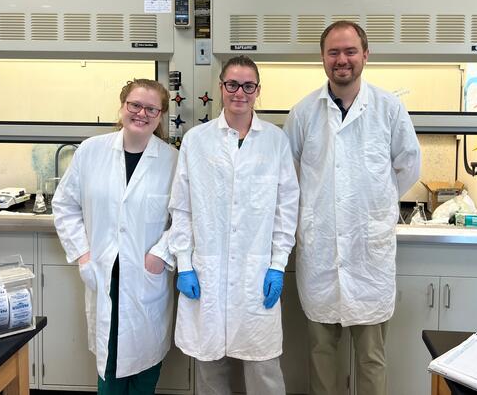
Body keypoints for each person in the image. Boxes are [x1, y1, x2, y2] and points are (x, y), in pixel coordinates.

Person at [283, 21, 421, 395]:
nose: (341, 60)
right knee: (321, 353)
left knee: (372, 357)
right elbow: (289, 173)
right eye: (333, 52)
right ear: (323, 58)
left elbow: (408, 165)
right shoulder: (303, 112)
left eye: (349, 51)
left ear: (365, 55)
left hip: (368, 253)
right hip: (321, 251)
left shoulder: (389, 109)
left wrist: (373, 204)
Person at [168, 55, 299, 395]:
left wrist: (277, 265)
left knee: (263, 366)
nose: (239, 92)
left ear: (257, 90)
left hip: (257, 272)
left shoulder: (275, 140)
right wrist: (184, 264)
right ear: (221, 87)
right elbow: (182, 207)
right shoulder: (197, 140)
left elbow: (287, 207)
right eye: (232, 84)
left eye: (248, 85)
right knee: (210, 369)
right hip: (206, 271)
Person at [52, 79, 178, 395]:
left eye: (152, 108)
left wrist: (161, 254)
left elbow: (185, 219)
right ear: (122, 107)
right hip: (103, 274)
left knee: (146, 369)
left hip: (145, 280)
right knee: (110, 372)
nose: (142, 113)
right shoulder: (91, 151)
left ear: (160, 115)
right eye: (135, 105)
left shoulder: (171, 160)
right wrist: (82, 254)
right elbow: (64, 205)